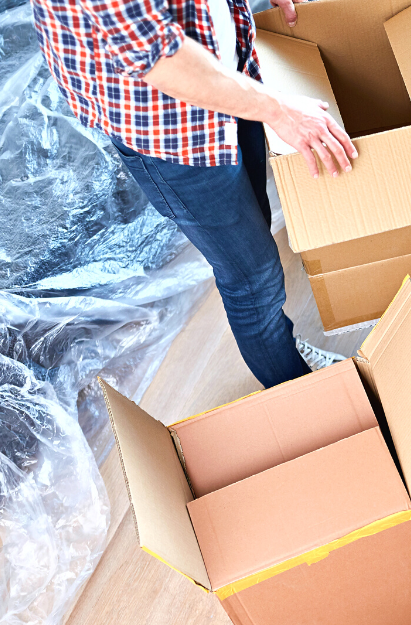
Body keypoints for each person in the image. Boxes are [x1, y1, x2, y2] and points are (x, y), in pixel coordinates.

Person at [30, 0, 356, 388]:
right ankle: (311, 399)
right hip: (172, 128)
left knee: (256, 244)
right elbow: (161, 59)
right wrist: (280, 111)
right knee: (253, 277)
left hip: (228, 78)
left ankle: (281, 347)